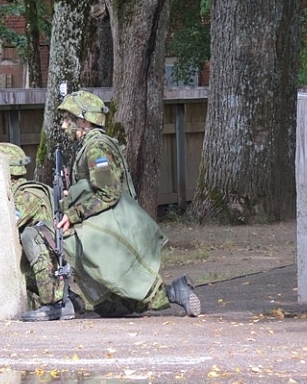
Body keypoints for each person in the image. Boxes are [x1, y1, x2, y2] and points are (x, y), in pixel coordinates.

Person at [55, 90, 201, 318]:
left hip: (111, 225)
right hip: (106, 222)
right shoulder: (90, 146)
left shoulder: (96, 148)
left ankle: (174, 291)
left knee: (126, 283)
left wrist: (73, 214)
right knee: (108, 307)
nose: (64, 126)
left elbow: (108, 193)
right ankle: (174, 291)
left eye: (67, 119)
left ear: (83, 121)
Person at [0, 142, 83, 321]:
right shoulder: (11, 193)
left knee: (29, 235)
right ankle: (26, 298)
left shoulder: (26, 196)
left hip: (42, 267)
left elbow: (1, 230)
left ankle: (56, 299)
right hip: (26, 264)